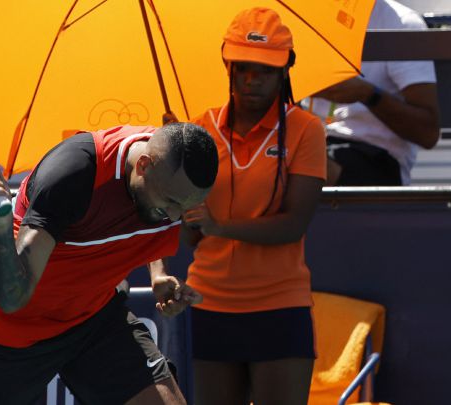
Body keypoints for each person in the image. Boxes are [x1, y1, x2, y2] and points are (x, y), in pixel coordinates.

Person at [0, 123, 219, 404]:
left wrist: (158, 273)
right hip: (10, 324)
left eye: (183, 209)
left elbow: (151, 223)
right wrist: (1, 228)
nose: (173, 217)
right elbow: (12, 296)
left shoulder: (169, 175)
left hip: (90, 316)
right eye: (168, 204)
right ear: (144, 166)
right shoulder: (75, 173)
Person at [181, 8, 326, 405]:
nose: (251, 79)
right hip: (208, 302)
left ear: (285, 70)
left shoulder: (307, 129)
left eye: (264, 69)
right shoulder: (198, 129)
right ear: (227, 64)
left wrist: (220, 226)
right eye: (242, 66)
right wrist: (174, 177)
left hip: (280, 304)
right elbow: (189, 235)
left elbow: (293, 225)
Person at [312, 0, 440, 186]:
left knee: (302, 167)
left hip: (377, 159)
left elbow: (428, 133)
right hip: (316, 148)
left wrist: (367, 94)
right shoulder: (307, 19)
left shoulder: (402, 24)